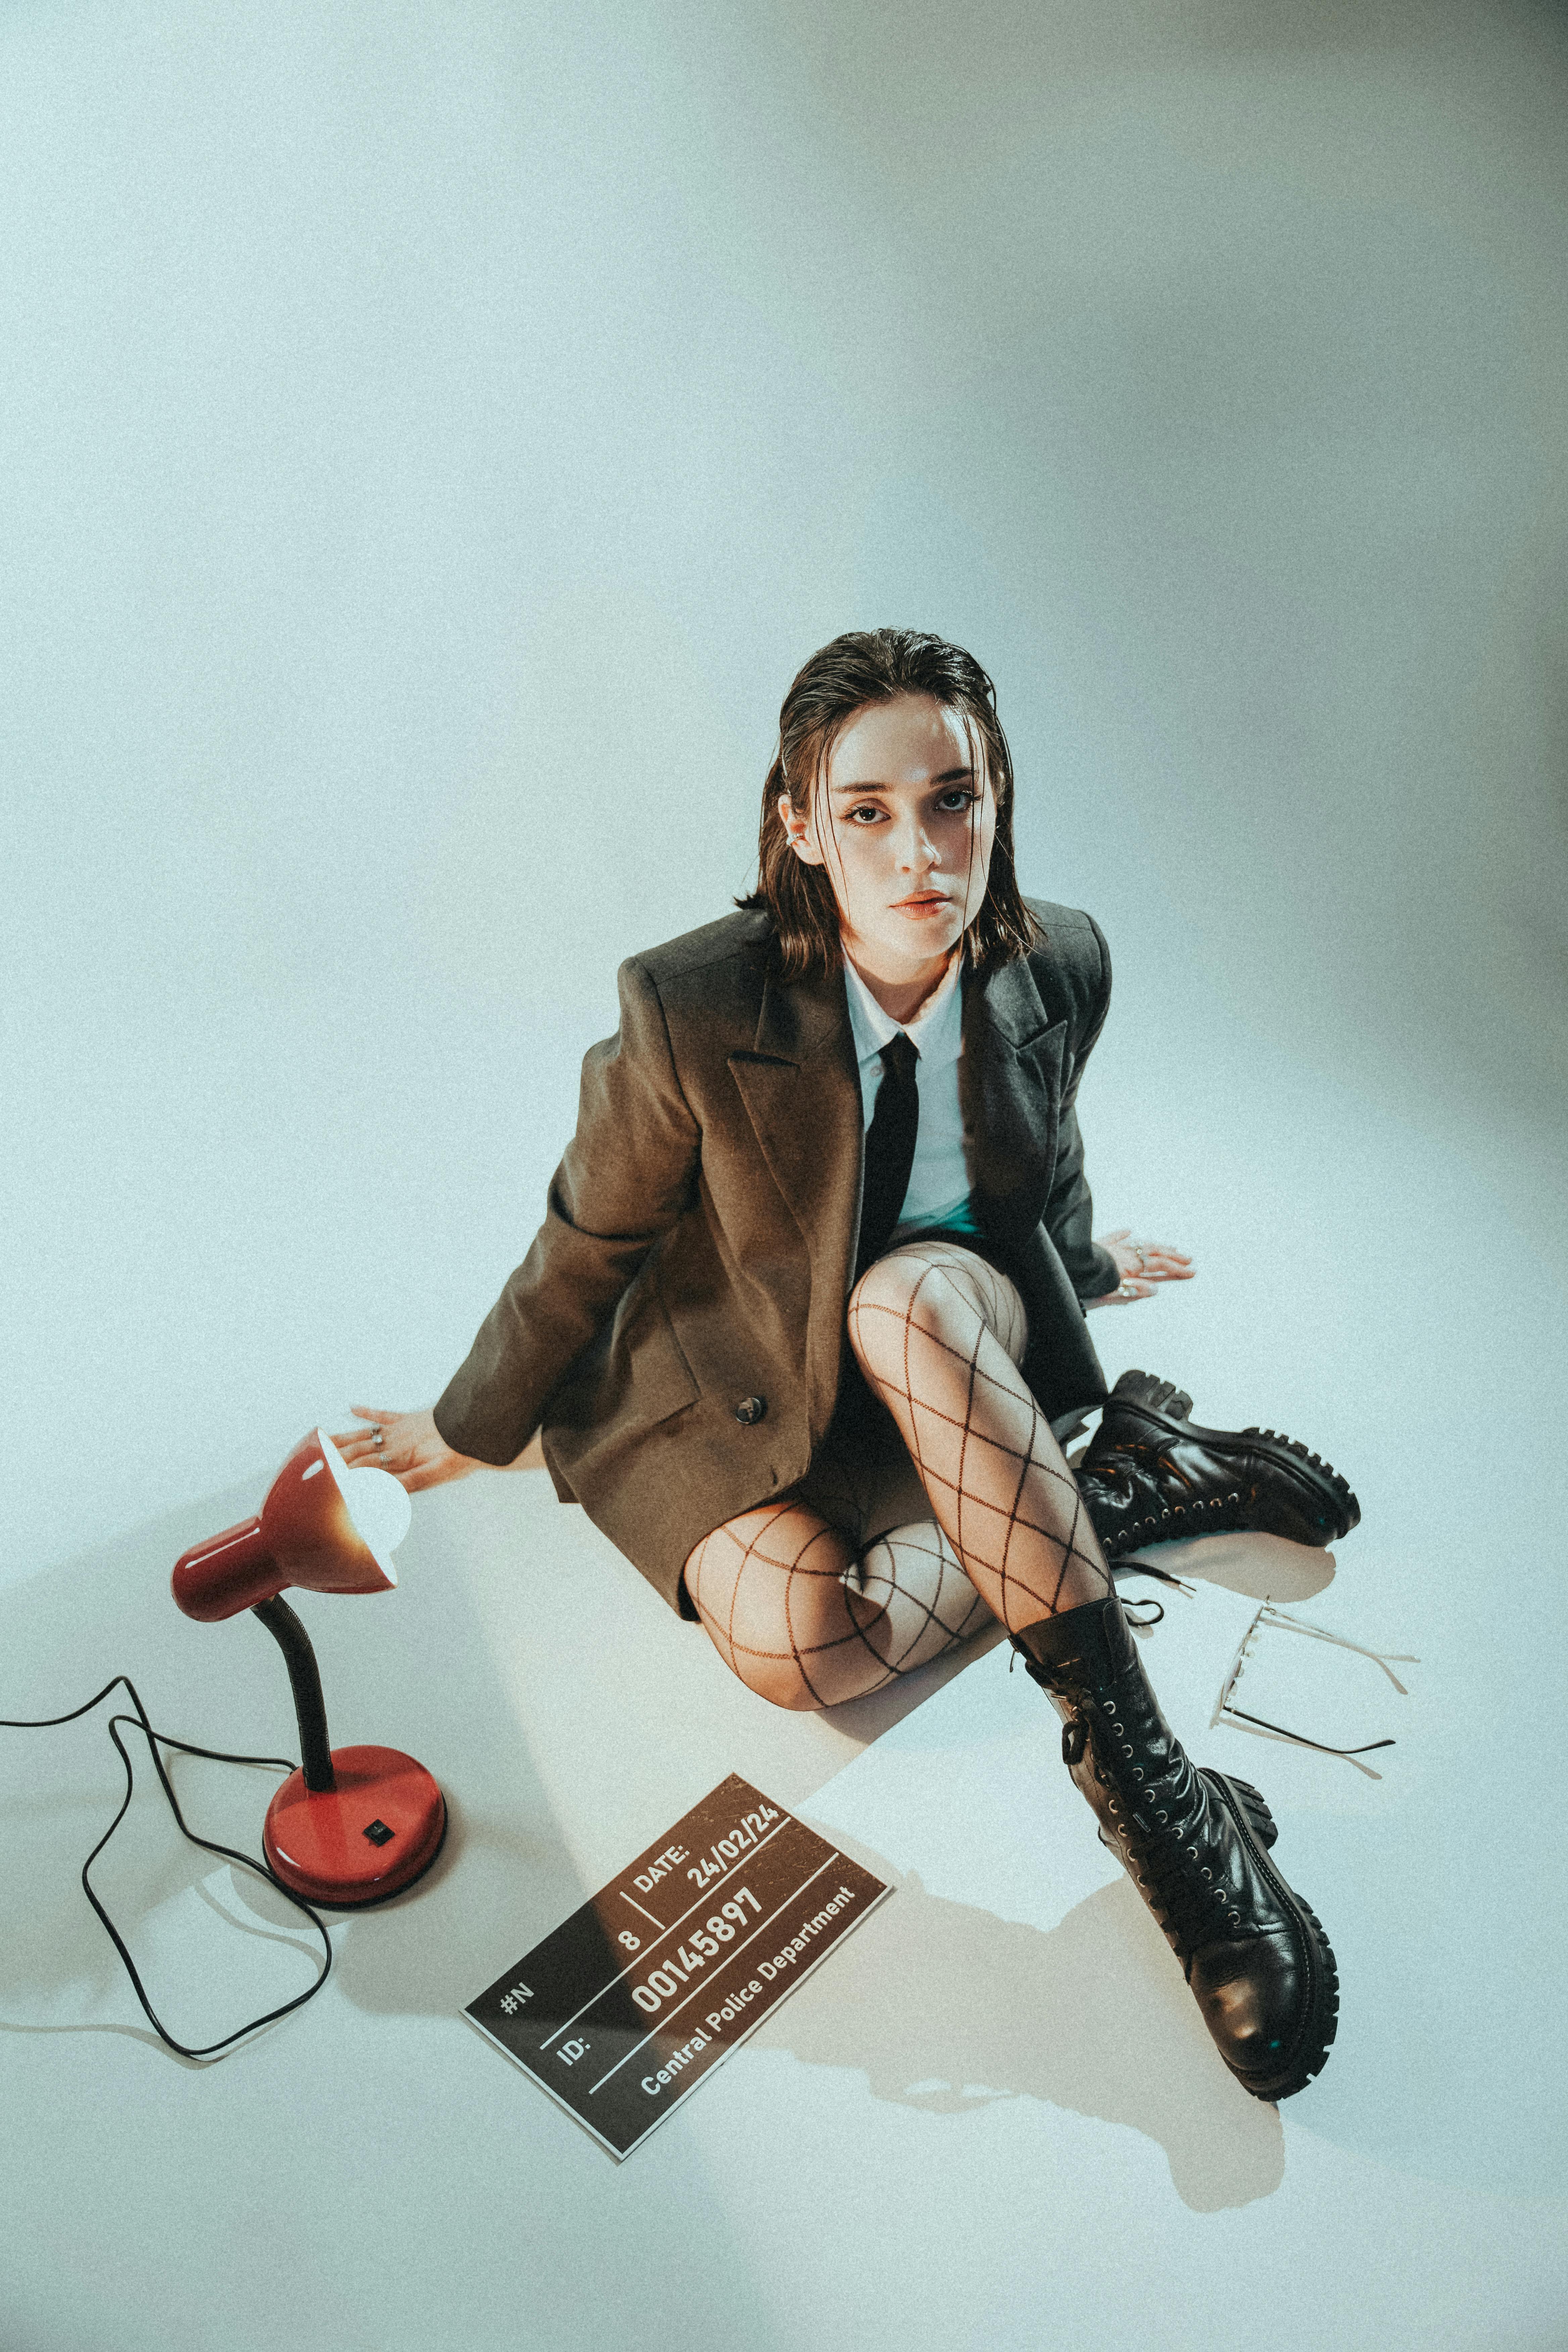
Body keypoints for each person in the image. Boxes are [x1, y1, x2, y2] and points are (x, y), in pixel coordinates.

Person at [335, 629, 1357, 2103]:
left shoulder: (1058, 958)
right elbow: (590, 1238)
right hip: (745, 1371)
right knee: (802, 1651)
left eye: (952, 800)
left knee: (902, 1299)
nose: (917, 850)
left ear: (998, 801)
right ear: (801, 826)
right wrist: (472, 1420)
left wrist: (1080, 1274)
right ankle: (1113, 1486)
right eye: (866, 812)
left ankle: (1162, 1811)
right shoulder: (693, 1006)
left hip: (941, 1332)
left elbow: (1042, 1164)